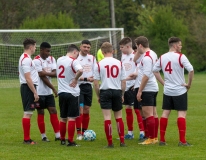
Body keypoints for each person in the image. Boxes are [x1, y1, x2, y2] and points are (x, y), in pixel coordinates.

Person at [153, 37, 194, 146]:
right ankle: (182, 141)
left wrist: (163, 83)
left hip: (168, 90)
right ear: (175, 46)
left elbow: (155, 70)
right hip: (180, 90)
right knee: (181, 113)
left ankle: (162, 140)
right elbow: (191, 70)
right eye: (180, 45)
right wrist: (189, 84)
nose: (181, 47)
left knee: (165, 113)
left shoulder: (162, 57)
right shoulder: (181, 57)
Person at [93, 42, 126, 148]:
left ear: (102, 52)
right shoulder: (119, 63)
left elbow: (96, 83)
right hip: (116, 90)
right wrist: (122, 94)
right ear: (112, 51)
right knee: (119, 117)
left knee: (107, 117)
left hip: (105, 91)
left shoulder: (99, 64)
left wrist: (98, 96)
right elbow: (123, 81)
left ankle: (110, 143)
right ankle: (122, 141)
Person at [134, 36, 159, 145]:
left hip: (147, 88)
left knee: (148, 113)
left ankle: (152, 138)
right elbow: (135, 60)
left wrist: (140, 90)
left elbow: (147, 75)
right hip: (152, 87)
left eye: (136, 47)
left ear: (140, 45)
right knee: (153, 113)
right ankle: (153, 137)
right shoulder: (152, 53)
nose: (135, 50)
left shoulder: (147, 57)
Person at [33, 42, 60, 142]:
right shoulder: (36, 60)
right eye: (47, 51)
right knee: (41, 112)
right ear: (41, 50)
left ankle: (58, 135)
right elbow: (42, 76)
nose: (48, 53)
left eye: (49, 51)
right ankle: (43, 136)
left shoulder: (52, 59)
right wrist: (53, 88)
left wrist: (46, 73)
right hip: (38, 91)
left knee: (53, 110)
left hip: (48, 93)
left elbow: (55, 73)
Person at [57, 44, 83, 146]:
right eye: (77, 54)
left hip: (61, 92)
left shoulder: (59, 59)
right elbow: (80, 70)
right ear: (75, 52)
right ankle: (71, 141)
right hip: (72, 92)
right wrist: (75, 79)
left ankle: (62, 139)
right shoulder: (73, 61)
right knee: (72, 117)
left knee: (63, 118)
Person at [119, 37, 145, 140]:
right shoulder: (123, 56)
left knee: (138, 109)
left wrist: (126, 79)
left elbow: (137, 73)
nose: (120, 49)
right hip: (125, 86)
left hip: (133, 86)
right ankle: (130, 132)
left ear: (128, 46)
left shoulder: (136, 57)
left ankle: (142, 132)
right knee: (128, 109)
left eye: (122, 47)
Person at [19, 38, 39, 144]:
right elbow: (28, 78)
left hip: (28, 87)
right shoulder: (26, 59)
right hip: (28, 88)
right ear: (31, 47)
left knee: (29, 112)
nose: (35, 48)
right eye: (35, 46)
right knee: (28, 112)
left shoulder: (25, 58)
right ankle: (26, 139)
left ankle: (27, 138)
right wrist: (35, 92)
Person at [75, 40, 96, 140]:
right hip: (78, 86)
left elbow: (96, 71)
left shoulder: (92, 58)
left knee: (87, 109)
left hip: (88, 87)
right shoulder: (76, 58)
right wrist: (86, 78)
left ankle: (85, 132)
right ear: (80, 47)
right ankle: (79, 133)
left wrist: (94, 76)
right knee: (80, 109)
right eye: (84, 47)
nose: (86, 49)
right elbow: (73, 74)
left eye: (88, 47)